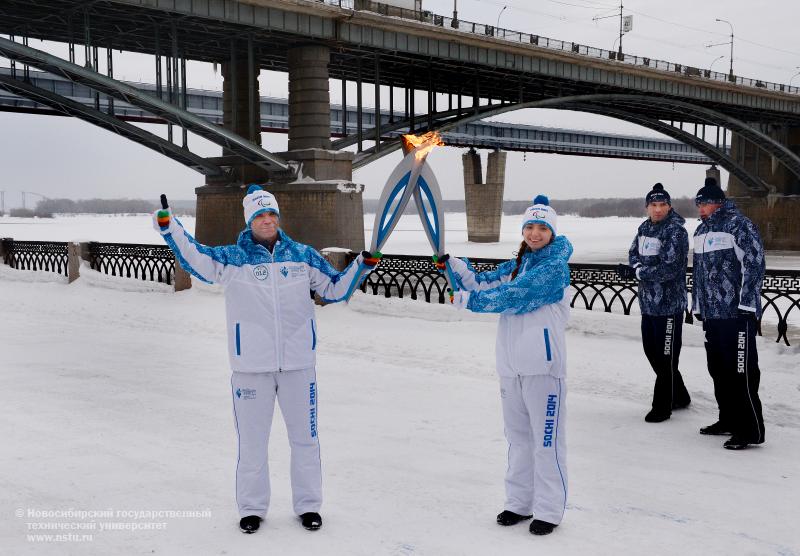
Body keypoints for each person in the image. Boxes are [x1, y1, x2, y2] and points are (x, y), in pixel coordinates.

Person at [153, 185, 381, 533]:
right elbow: (195, 258)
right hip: (250, 369)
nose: (267, 220)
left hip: (298, 365)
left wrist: (362, 266)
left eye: (272, 214)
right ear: (250, 220)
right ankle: (251, 508)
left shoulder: (302, 255)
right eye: (260, 215)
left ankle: (308, 506)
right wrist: (171, 229)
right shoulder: (233, 258)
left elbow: (334, 288)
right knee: (253, 443)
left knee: (305, 439)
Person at [439, 195, 571, 536]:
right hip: (511, 366)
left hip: (543, 367)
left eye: (543, 228)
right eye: (530, 226)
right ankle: (519, 503)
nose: (535, 233)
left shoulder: (553, 267)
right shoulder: (519, 263)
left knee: (546, 442)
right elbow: (482, 282)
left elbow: (515, 297)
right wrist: (452, 264)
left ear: (553, 232)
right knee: (517, 438)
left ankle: (549, 509)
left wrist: (469, 302)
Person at [692, 177, 766, 450]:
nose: (701, 207)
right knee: (719, 371)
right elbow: (699, 275)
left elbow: (755, 265)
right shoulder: (700, 233)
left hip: (736, 315)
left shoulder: (739, 225)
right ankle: (728, 420)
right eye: (698, 202)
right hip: (712, 315)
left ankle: (751, 430)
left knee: (741, 372)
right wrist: (698, 306)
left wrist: (747, 305)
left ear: (719, 202)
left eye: (706, 202)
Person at [616, 183, 691, 423]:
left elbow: (670, 268)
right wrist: (637, 267)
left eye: (662, 205)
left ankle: (662, 406)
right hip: (648, 304)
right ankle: (679, 395)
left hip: (669, 305)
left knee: (667, 357)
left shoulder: (676, 231)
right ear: (647, 207)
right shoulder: (645, 227)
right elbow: (633, 254)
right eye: (653, 205)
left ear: (669, 206)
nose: (658, 209)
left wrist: (639, 272)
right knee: (652, 353)